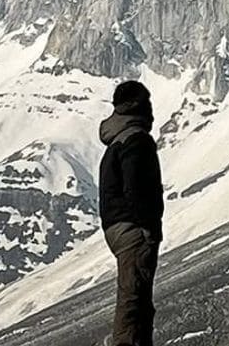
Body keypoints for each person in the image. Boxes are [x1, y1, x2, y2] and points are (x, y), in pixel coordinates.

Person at [99, 80, 165, 346]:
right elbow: (135, 185)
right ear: (138, 106)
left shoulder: (116, 140)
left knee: (135, 294)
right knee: (134, 294)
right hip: (133, 227)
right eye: (147, 102)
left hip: (116, 226)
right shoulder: (135, 138)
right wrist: (147, 225)